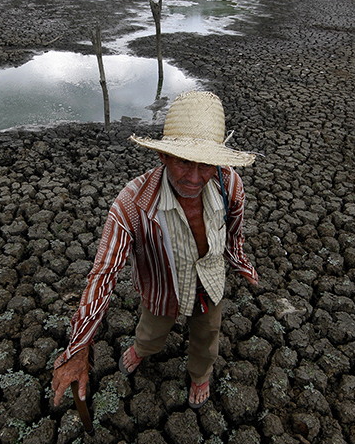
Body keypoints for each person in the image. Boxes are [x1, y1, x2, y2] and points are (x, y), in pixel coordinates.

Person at [52, 90, 258, 409]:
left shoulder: (229, 184)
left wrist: (240, 261)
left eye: (206, 165)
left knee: (207, 340)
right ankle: (142, 350)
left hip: (210, 285)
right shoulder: (132, 204)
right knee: (150, 332)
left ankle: (200, 375)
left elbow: (234, 231)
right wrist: (78, 347)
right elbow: (103, 275)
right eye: (184, 162)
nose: (194, 177)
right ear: (162, 156)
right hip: (161, 291)